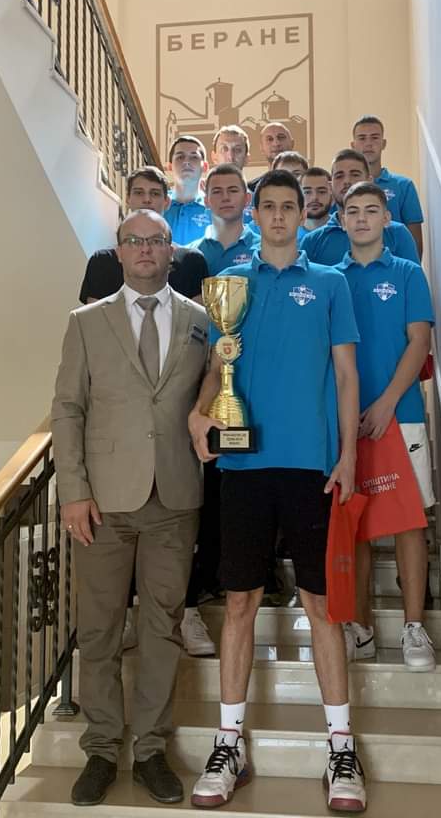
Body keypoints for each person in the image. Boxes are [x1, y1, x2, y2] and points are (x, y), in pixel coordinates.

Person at [188, 170, 367, 813]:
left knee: (322, 607)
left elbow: (346, 376)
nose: (281, 215)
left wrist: (348, 454)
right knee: (240, 602)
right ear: (255, 214)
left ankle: (341, 749)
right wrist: (199, 413)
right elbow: (218, 363)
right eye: (269, 206)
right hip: (244, 466)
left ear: (301, 214)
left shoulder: (331, 283)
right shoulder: (232, 283)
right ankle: (228, 743)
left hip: (312, 467)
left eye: (290, 206)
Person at [52, 209, 210, 807]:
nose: (145, 248)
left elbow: (212, 392)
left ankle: (149, 750)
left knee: (162, 627)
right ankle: (100, 747)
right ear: (118, 252)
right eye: (133, 240)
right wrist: (73, 490)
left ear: (172, 251)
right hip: (102, 501)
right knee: (98, 629)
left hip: (174, 496)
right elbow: (68, 408)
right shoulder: (86, 322)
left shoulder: (201, 321)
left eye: (156, 240)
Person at [337, 182, 436, 671]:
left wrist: (387, 402)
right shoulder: (330, 279)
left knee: (409, 522)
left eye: (370, 210)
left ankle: (414, 627)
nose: (361, 218)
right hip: (346, 422)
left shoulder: (408, 273)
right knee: (353, 523)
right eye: (352, 211)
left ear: (386, 219)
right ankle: (361, 629)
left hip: (402, 415)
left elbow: (419, 342)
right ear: (341, 221)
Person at [79, 167, 208, 304]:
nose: (147, 199)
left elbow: (198, 316)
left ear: (167, 202)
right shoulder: (102, 262)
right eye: (139, 193)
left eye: (155, 193)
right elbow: (94, 316)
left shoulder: (192, 261)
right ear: (128, 199)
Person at [302, 150, 419, 266]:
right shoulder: (312, 242)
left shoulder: (397, 234)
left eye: (355, 174)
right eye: (339, 176)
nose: (347, 181)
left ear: (369, 181)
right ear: (330, 186)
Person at [351, 115, 424, 258]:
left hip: (394, 266)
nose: (368, 144)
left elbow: (415, 242)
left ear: (383, 143)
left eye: (374, 137)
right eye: (362, 138)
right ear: (353, 145)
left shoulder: (404, 186)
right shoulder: (345, 188)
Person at [189, 164, 259, 274]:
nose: (225, 197)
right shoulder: (191, 253)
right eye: (217, 192)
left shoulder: (263, 250)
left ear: (247, 199)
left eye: (233, 191)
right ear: (206, 201)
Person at [165, 135, 212, 245]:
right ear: (169, 166)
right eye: (180, 157)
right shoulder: (159, 204)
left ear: (205, 167)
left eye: (194, 157)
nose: (186, 162)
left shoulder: (214, 206)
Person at [301, 166, 334, 236]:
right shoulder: (288, 233)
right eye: (307, 192)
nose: (314, 197)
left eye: (321, 192)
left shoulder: (346, 231)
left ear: (332, 195)